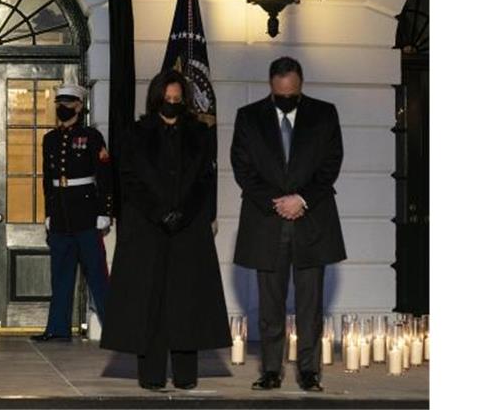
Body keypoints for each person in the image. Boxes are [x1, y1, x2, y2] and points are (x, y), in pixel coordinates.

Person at [101, 70, 230, 390]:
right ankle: (152, 376)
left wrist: (183, 214)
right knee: (151, 303)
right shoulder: (135, 132)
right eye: (167, 99)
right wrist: (160, 213)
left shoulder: (199, 133)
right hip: (147, 229)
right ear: (156, 98)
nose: (172, 104)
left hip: (188, 231)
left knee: (186, 303)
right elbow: (129, 179)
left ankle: (186, 376)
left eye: (177, 99)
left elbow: (205, 179)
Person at [231, 57, 346, 393]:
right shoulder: (248, 117)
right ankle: (271, 370)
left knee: (311, 305)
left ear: (301, 86)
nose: (286, 99)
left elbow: (331, 164)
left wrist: (301, 199)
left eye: (292, 94)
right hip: (267, 222)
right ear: (271, 86)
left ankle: (309, 372)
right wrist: (278, 202)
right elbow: (243, 169)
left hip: (312, 222)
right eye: (280, 94)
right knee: (270, 305)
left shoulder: (325, 114)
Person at [31, 83, 114, 342]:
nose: (62, 108)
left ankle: (114, 330)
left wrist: (105, 211)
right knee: (61, 276)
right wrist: (48, 212)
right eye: (59, 103)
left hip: (86, 215)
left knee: (97, 276)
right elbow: (48, 179)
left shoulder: (91, 137)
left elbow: (104, 175)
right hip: (60, 216)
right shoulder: (50, 139)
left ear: (79, 106)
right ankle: (57, 328)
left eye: (68, 103)